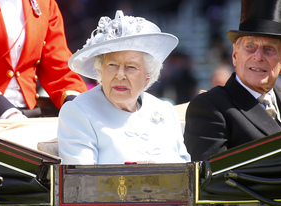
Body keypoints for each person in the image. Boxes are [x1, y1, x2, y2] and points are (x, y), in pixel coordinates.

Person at [184, 0, 281, 161]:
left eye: (269, 49)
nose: (258, 57)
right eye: (250, 46)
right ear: (235, 55)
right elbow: (212, 182)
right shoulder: (211, 107)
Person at [58, 10, 190, 164]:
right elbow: (81, 182)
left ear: (148, 76)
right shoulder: (78, 112)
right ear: (101, 71)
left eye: (131, 67)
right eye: (112, 65)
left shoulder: (165, 111)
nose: (120, 75)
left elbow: (186, 173)